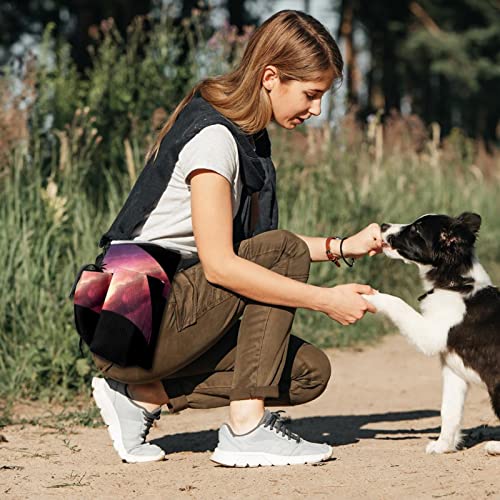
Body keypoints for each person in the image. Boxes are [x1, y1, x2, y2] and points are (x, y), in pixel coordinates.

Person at [89, 9, 382, 467]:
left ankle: (142, 394)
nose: (317, 110)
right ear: (270, 77)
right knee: (280, 250)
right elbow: (225, 265)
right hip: (125, 306)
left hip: (155, 306)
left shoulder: (244, 136)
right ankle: (247, 430)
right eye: (310, 94)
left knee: (308, 373)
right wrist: (323, 299)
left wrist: (342, 246)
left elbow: (254, 250)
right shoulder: (215, 138)